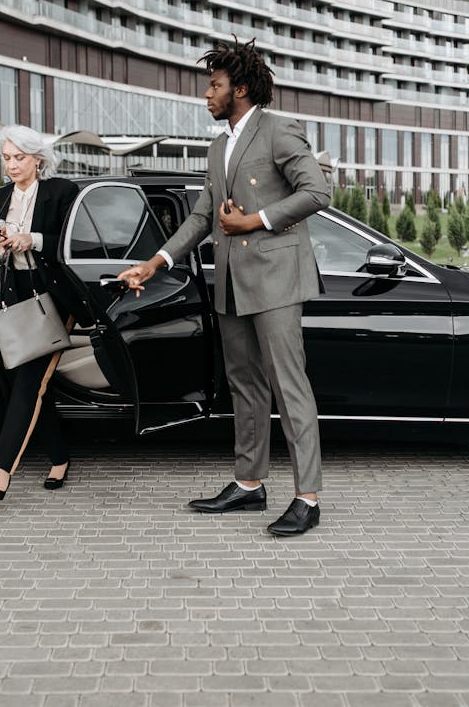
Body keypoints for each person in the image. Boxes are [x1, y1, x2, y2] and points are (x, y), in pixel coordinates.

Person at [118, 39, 331, 536]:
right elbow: (201, 217)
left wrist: (254, 220)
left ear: (240, 89)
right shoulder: (219, 146)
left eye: (214, 85)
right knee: (245, 385)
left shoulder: (278, 129)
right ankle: (249, 484)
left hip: (276, 280)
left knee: (289, 387)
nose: (206, 94)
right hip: (232, 282)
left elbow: (318, 191)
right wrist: (154, 263)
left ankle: (308, 498)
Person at [0, 124, 80, 500]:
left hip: (54, 296)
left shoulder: (62, 192)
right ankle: (60, 457)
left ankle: (0, 471)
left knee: (29, 382)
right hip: (17, 296)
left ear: (38, 159)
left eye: (19, 158)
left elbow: (73, 244)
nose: (11, 165)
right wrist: (1, 247)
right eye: (6, 158)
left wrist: (32, 240)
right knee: (35, 383)